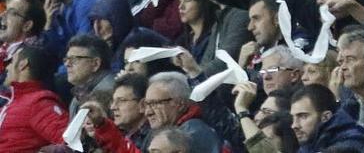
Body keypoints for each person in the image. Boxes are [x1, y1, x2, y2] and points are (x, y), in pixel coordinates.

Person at [92, 71, 223, 153]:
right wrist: (103, 126)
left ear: (180, 104)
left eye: (155, 104)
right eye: (147, 104)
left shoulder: (194, 132)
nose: (148, 112)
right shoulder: (164, 132)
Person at [0, 43, 69, 151]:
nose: (7, 67)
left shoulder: (40, 103)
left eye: (11, 62)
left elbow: (71, 142)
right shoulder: (13, 101)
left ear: (23, 64)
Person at [289, 84, 364, 153]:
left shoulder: (352, 144)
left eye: (303, 116)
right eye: (293, 117)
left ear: (326, 117)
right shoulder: (308, 146)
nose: (294, 125)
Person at [65, 33, 116, 114]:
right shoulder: (79, 94)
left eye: (74, 59)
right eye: (66, 59)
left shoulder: (111, 93)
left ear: (95, 64)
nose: (67, 64)